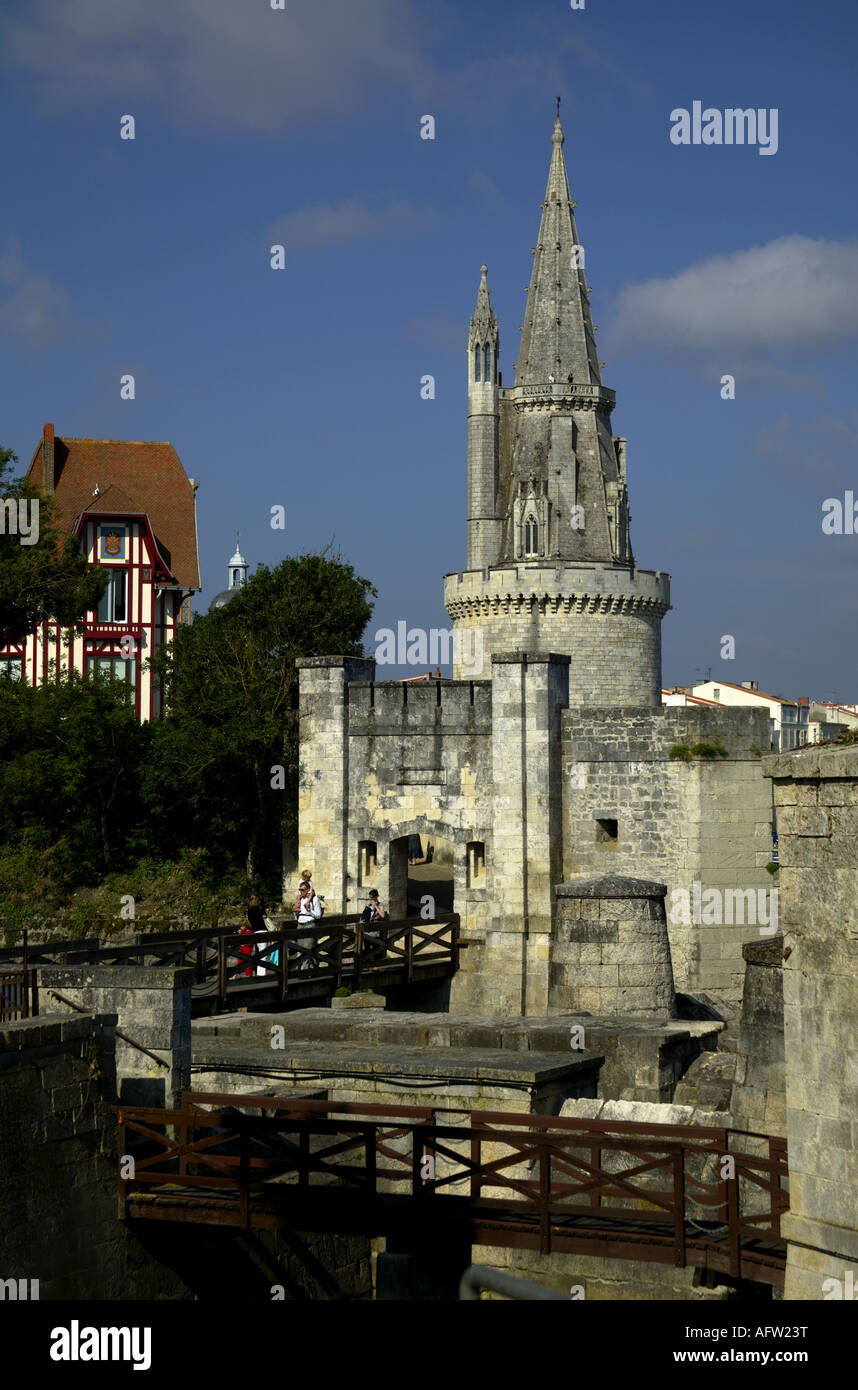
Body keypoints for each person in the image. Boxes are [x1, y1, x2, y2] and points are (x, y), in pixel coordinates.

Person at [293, 878, 322, 970]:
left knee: (307, 948)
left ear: (308, 890)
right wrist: (294, 910)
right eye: (299, 889)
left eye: (302, 890)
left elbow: (318, 915)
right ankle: (311, 967)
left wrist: (309, 911)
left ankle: (304, 971)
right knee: (300, 948)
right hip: (300, 924)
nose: (300, 891)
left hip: (310, 924)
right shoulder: (299, 899)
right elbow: (296, 915)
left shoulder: (314, 899)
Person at [360, 889, 387, 961]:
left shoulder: (380, 905)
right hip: (367, 930)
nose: (371, 899)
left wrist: (375, 906)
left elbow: (382, 915)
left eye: (372, 898)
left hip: (375, 931)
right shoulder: (368, 905)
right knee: (367, 948)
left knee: (375, 948)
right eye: (370, 898)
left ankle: (374, 965)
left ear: (376, 897)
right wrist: (361, 920)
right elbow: (363, 915)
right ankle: (367, 965)